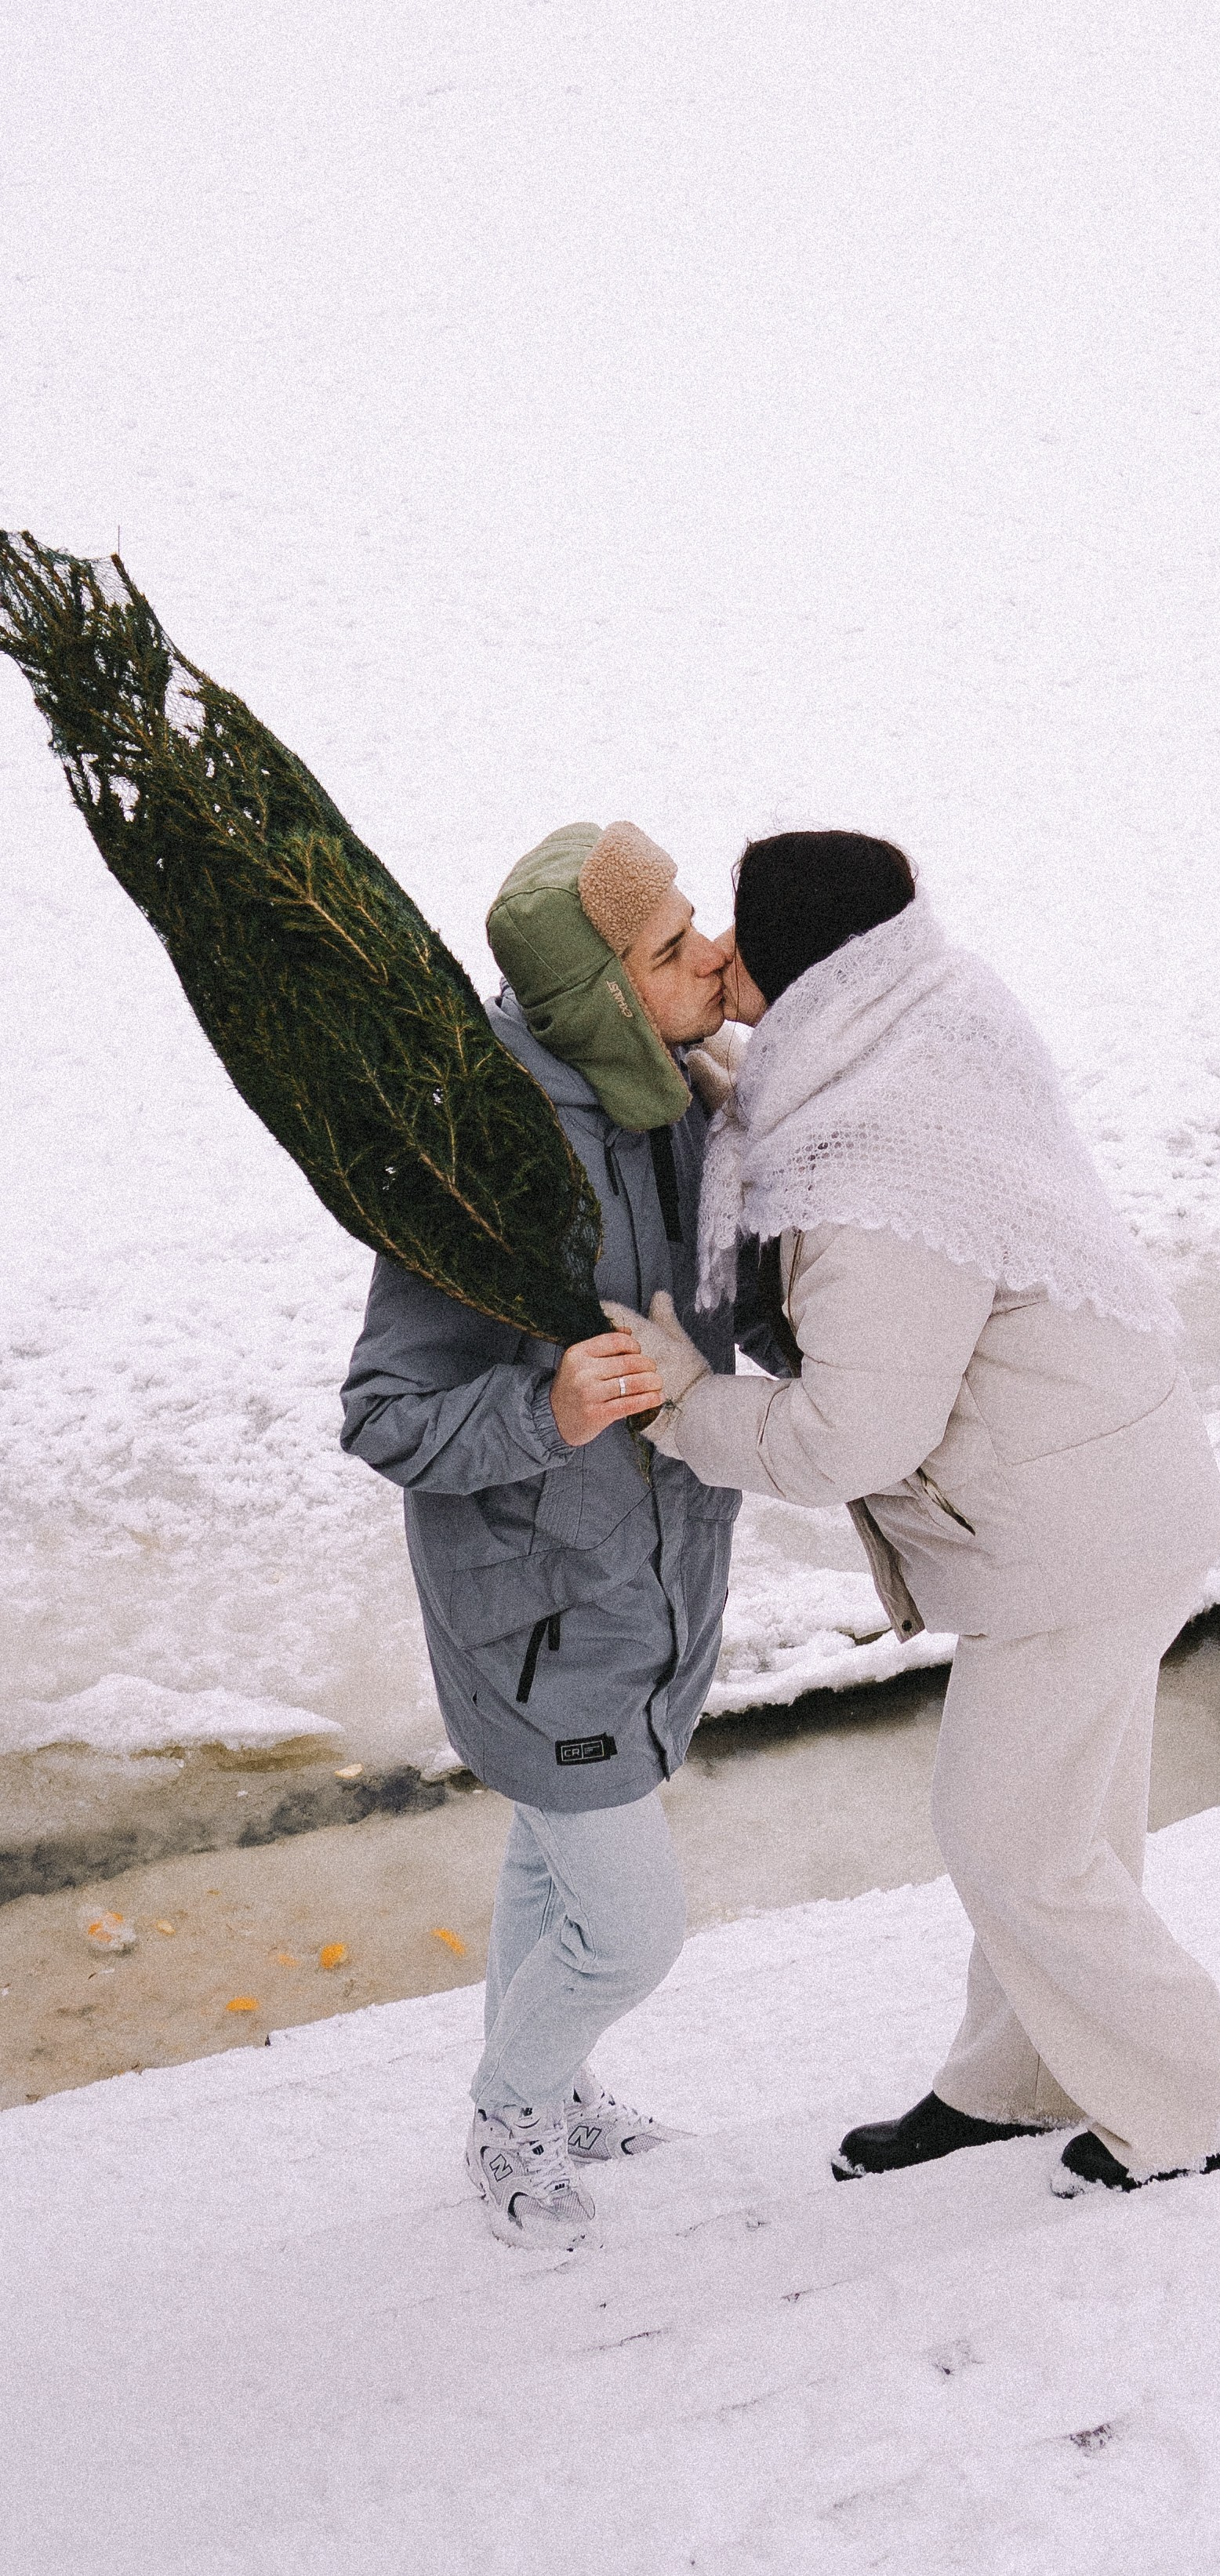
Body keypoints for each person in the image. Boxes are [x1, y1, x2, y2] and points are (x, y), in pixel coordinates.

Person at [612, 830, 1220, 2196]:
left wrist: (684, 1403)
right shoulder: (929, 1013)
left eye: (741, 940)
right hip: (1104, 1486)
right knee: (1065, 1829)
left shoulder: (879, 1186)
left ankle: (1215, 2110)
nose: (719, 958)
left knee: (1010, 1840)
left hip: (1071, 1538)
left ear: (813, 973)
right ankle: (1022, 2078)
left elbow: (848, 1434)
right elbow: (823, 1108)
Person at [341, 819, 755, 2250]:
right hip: (539, 1620)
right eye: (669, 948)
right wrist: (547, 1403)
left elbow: (708, 1310)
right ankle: (509, 2111)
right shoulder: (486, 1156)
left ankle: (557, 2088)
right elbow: (385, 1413)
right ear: (594, 998)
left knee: (547, 1863)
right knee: (631, 1929)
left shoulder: (675, 1103)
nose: (712, 956)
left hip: (644, 1581)